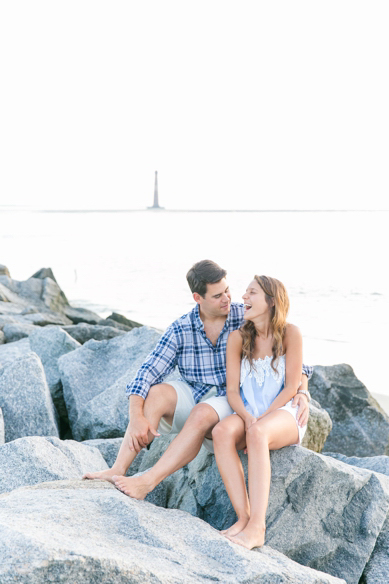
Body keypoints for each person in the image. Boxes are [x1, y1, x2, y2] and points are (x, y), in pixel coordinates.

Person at [83, 261, 312, 498]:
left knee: (202, 413)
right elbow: (147, 372)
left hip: (229, 398)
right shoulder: (182, 328)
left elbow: (293, 360)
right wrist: (136, 416)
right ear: (198, 298)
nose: (227, 298)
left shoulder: (243, 315)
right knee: (156, 393)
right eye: (217, 295)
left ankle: (148, 482)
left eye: (227, 290)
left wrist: (302, 392)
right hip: (195, 393)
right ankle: (118, 469)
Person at [212, 275, 307, 550]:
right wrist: (247, 417)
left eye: (251, 292)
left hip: (285, 414)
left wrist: (261, 420)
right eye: (245, 292)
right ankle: (244, 518)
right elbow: (232, 392)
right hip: (250, 414)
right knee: (221, 432)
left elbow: (292, 386)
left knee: (258, 433)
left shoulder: (291, 333)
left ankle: (257, 527)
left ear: (271, 300)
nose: (243, 298)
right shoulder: (237, 338)